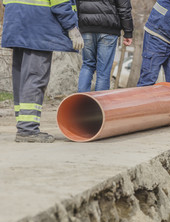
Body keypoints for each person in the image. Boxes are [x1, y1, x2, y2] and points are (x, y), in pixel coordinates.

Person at [1, 0, 84, 143]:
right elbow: (60, 2)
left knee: (21, 77)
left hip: (16, 23)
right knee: (35, 77)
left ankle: (24, 126)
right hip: (38, 27)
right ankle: (27, 129)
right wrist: (72, 27)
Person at [76, 0, 133, 92]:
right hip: (108, 28)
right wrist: (128, 32)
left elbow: (76, 3)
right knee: (103, 70)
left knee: (87, 65)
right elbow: (124, 8)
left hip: (86, 27)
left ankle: (81, 102)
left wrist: (78, 24)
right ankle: (99, 104)